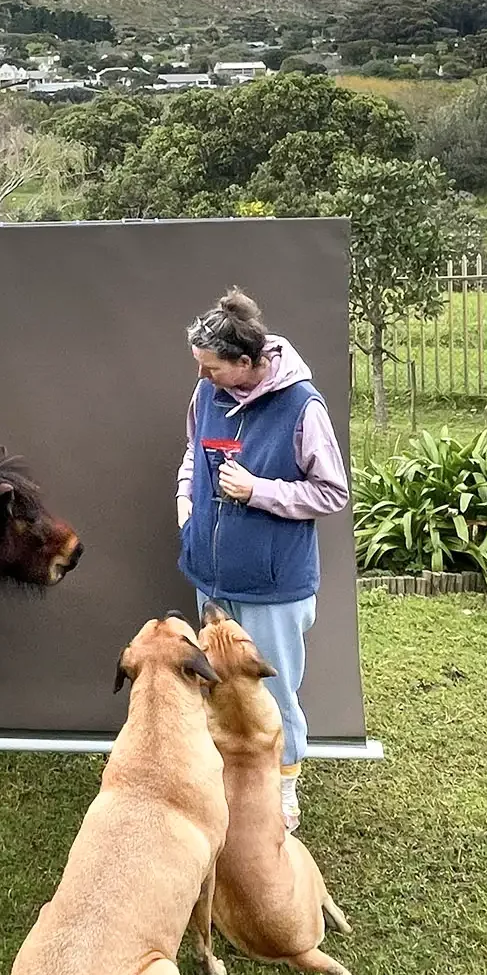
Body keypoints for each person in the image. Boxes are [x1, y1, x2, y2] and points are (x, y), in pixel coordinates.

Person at [176, 287, 348, 833]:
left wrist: (260, 491)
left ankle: (283, 791)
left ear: (247, 363)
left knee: (274, 692)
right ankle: (227, 779)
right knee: (213, 684)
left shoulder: (303, 407)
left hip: (275, 586)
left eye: (212, 368)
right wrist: (187, 503)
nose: (204, 379)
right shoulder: (206, 396)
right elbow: (191, 454)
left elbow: (332, 492)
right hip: (210, 574)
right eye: (199, 368)